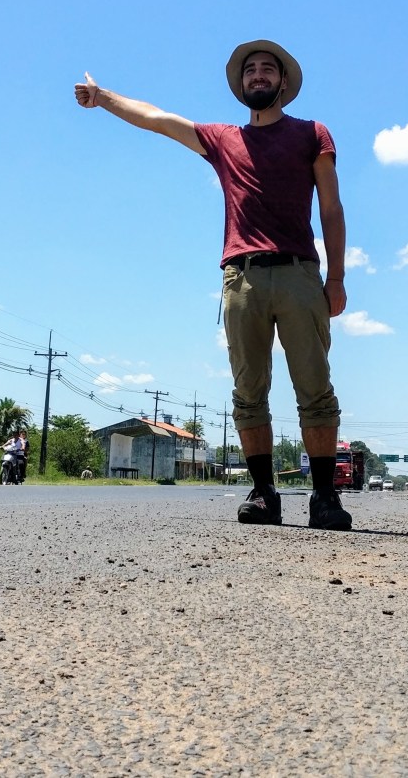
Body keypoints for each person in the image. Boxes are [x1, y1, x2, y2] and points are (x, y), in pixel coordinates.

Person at [74, 40, 351, 530]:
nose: (259, 75)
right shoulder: (223, 139)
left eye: (268, 69)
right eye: (251, 70)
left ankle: (325, 497)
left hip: (300, 274)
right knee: (248, 390)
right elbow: (158, 120)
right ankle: (264, 493)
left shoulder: (312, 133)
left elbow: (331, 207)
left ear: (284, 82)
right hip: (241, 277)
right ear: (241, 85)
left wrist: (337, 277)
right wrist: (103, 97)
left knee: (314, 387)